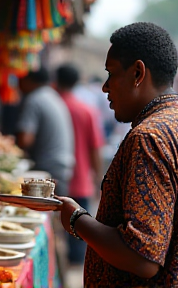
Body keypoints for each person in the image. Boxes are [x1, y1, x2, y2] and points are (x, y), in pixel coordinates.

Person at [31, 22, 178, 287]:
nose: (105, 87)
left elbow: (143, 258)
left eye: (111, 73)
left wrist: (76, 218)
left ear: (138, 73)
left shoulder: (148, 138)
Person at [54, 63, 104, 265]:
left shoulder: (55, 106)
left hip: (55, 180)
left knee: (55, 237)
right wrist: (98, 179)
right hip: (81, 181)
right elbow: (95, 148)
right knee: (78, 239)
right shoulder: (87, 110)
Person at [15, 66, 75, 197]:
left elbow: (25, 140)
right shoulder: (52, 96)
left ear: (29, 80)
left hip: (48, 169)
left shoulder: (34, 99)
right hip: (61, 167)